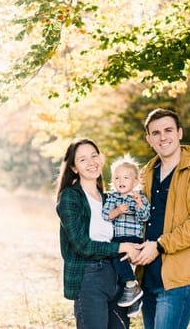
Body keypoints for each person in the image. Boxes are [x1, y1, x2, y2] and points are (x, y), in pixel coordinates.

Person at [131, 108, 190, 329]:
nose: (163, 137)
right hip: (147, 274)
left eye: (168, 130)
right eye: (156, 133)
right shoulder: (147, 173)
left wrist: (160, 245)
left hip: (180, 276)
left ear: (179, 132)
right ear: (149, 139)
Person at [55, 137, 139, 329]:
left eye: (94, 156)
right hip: (89, 277)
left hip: (116, 275)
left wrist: (135, 247)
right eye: (83, 159)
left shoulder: (110, 198)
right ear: (74, 168)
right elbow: (81, 245)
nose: (91, 162)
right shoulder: (70, 197)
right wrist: (121, 247)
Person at [102, 154, 151, 316]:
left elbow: (145, 217)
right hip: (118, 238)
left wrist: (139, 204)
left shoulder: (139, 196)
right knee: (117, 261)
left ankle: (132, 284)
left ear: (135, 182)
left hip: (133, 238)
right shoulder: (112, 197)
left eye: (125, 178)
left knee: (119, 259)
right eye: (117, 178)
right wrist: (118, 211)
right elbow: (105, 215)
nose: (120, 181)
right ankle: (134, 300)